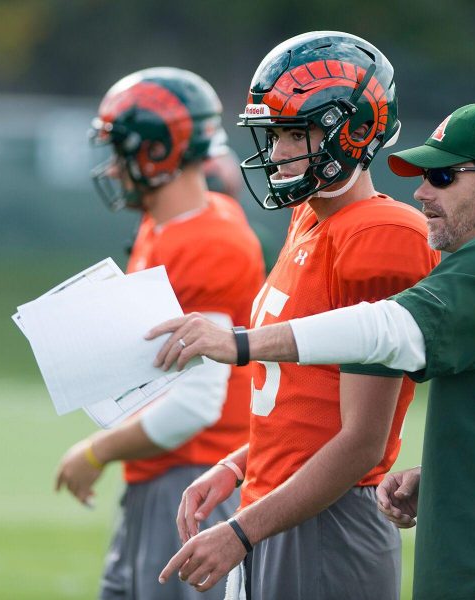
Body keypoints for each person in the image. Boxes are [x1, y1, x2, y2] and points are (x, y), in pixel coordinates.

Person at [153, 102, 475, 600]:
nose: (422, 192)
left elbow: (384, 330)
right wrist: (445, 476)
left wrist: (238, 344)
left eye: (444, 176)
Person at [159, 32, 439, 599]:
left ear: (354, 129)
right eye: (275, 134)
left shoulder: (379, 235)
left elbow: (362, 441)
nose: (280, 151)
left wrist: (240, 531)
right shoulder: (311, 219)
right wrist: (241, 466)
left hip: (330, 520)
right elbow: (304, 403)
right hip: (281, 502)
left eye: (294, 133)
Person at [54, 67, 265, 600]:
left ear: (155, 152)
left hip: (195, 478)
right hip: (162, 475)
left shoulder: (207, 241)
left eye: (121, 150)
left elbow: (195, 405)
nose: (112, 167)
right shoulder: (165, 223)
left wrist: (96, 451)